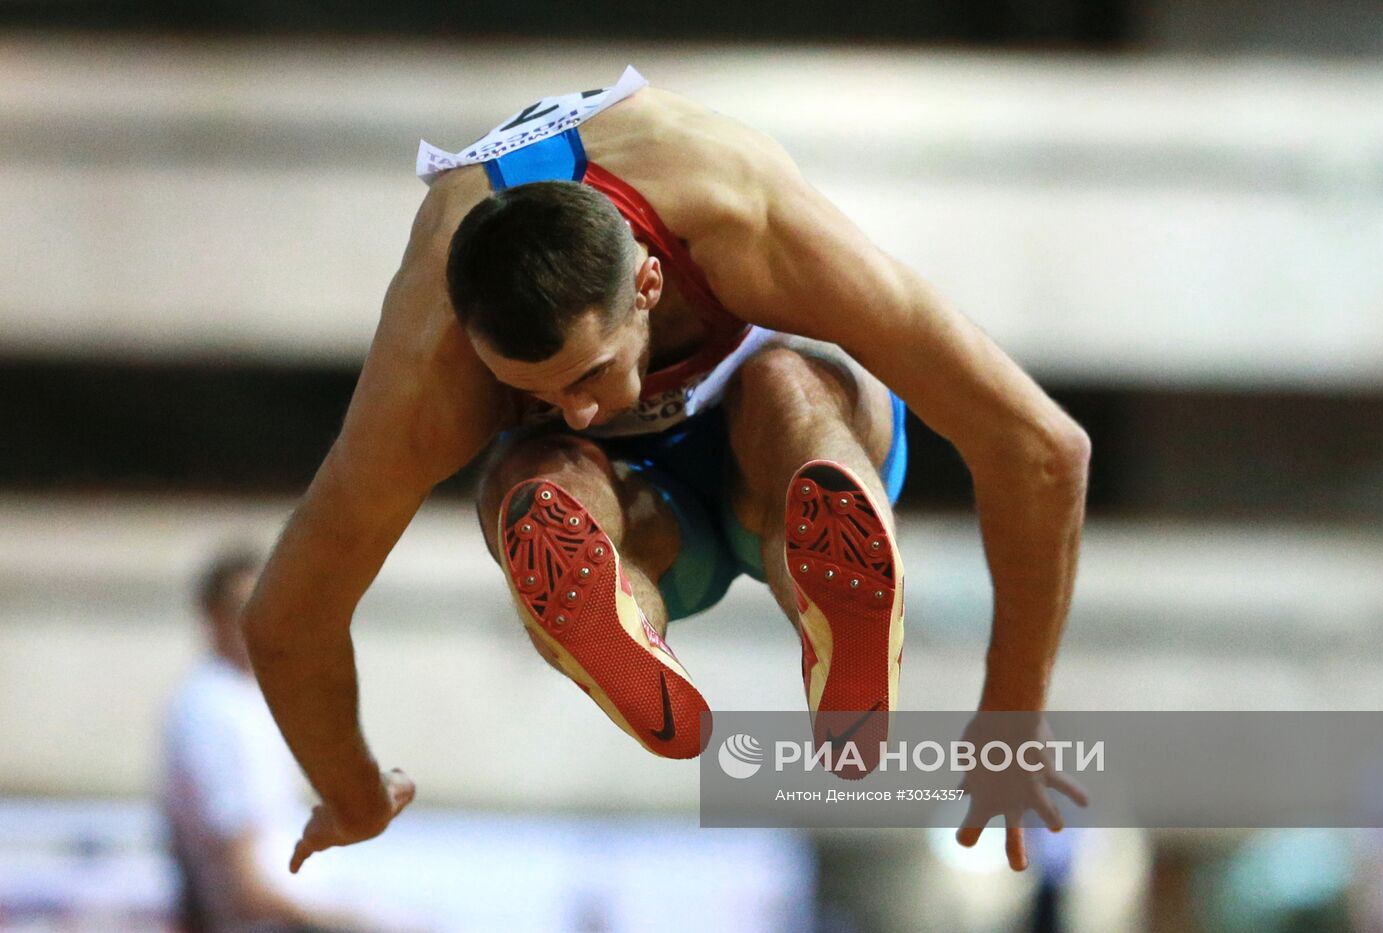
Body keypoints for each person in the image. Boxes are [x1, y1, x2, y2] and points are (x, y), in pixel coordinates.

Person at [241, 67, 1091, 875]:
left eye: (587, 374)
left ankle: (825, 586)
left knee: (786, 386)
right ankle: (615, 615)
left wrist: (1013, 712)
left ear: (650, 284)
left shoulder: (736, 206)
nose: (575, 406)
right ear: (473, 343)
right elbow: (287, 613)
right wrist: (350, 792)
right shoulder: (432, 362)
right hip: (645, 519)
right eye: (527, 387)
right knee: (538, 481)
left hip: (767, 456)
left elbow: (1043, 446)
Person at [159, 549, 412, 933]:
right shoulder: (212, 712)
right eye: (244, 608)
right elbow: (244, 880)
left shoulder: (248, 699)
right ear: (212, 616)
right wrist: (350, 922)